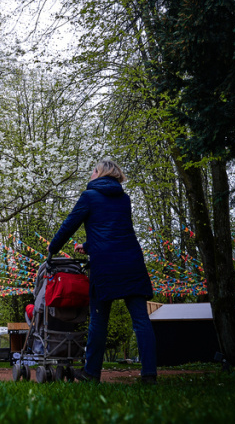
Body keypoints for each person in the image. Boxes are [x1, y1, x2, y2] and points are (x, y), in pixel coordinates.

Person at [47, 158, 157, 384]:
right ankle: (149, 375)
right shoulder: (124, 199)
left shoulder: (89, 196)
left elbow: (70, 224)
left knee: (99, 321)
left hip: (105, 266)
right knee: (141, 320)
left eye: (93, 170)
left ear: (99, 173)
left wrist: (53, 247)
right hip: (132, 263)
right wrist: (87, 246)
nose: (90, 174)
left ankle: (91, 373)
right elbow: (116, 231)